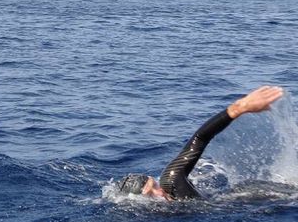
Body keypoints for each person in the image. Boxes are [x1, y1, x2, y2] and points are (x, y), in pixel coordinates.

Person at [117, 85, 284, 200]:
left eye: (155, 185)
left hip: (265, 198)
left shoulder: (171, 182)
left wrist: (239, 107)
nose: (160, 193)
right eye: (150, 194)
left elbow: (200, 138)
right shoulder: (154, 213)